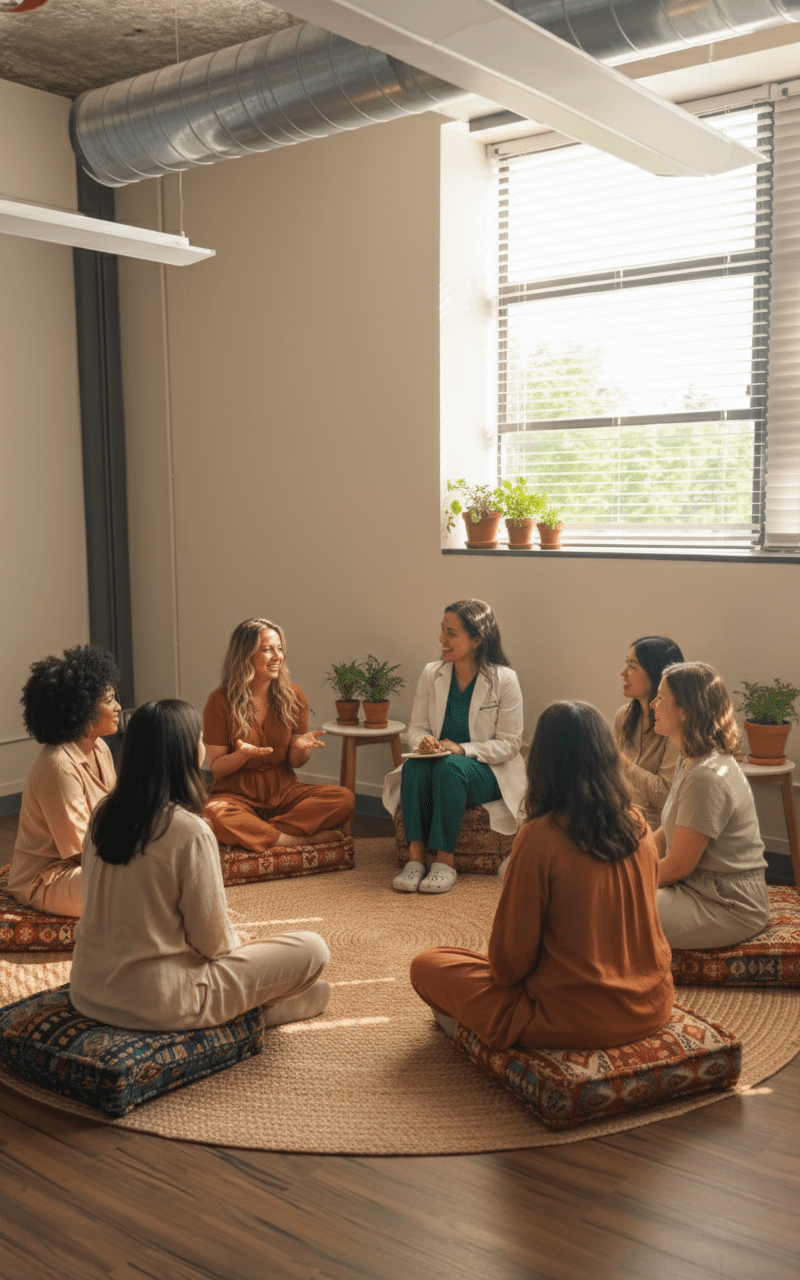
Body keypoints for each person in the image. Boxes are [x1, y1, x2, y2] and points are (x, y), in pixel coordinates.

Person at [410, 701, 674, 1050]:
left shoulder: (540, 836)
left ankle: (471, 1026)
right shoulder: (638, 823)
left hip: (571, 1019)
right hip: (652, 1006)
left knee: (428, 965)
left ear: (543, 764)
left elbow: (507, 968)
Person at [70, 700, 331, 1032]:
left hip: (89, 990)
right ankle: (251, 1015)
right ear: (186, 753)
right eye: (199, 738)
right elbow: (213, 945)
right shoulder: (189, 830)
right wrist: (239, 942)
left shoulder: (102, 812)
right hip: (162, 1002)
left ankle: (256, 1006)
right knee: (312, 948)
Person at [383, 599, 525, 895]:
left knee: (449, 768)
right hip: (439, 763)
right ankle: (415, 858)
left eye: (451, 633)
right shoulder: (432, 673)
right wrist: (422, 740)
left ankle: (444, 862)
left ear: (477, 640)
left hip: (488, 771)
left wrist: (462, 749)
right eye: (442, 631)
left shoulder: (504, 680)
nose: (441, 640)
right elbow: (417, 726)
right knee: (413, 768)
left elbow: (510, 744)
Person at [203, 619, 354, 853]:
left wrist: (300, 747)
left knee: (344, 798)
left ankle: (260, 833)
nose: (278, 656)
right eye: (267, 649)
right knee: (214, 813)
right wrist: (241, 756)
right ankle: (292, 840)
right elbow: (217, 768)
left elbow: (296, 763)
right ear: (245, 655)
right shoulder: (220, 700)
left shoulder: (294, 696)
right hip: (236, 796)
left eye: (280, 648)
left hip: (285, 794)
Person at [651, 662, 770, 950]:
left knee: (610, 911)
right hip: (697, 889)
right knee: (604, 899)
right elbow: (666, 834)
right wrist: (627, 860)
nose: (653, 704)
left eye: (660, 697)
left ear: (685, 711)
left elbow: (679, 866)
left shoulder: (706, 775)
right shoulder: (690, 757)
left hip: (726, 904)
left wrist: (625, 881)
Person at [9, 645, 120, 916]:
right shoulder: (57, 765)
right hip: (48, 878)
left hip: (90, 861)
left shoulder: (100, 748)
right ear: (83, 711)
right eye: (109, 701)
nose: (118, 707)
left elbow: (117, 815)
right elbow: (84, 849)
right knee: (127, 886)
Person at [614, 635, 684, 830]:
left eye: (632, 666)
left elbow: (665, 794)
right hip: (621, 818)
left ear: (656, 673)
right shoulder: (624, 717)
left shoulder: (676, 723)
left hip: (658, 827)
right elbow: (613, 779)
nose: (623, 673)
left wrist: (622, 760)